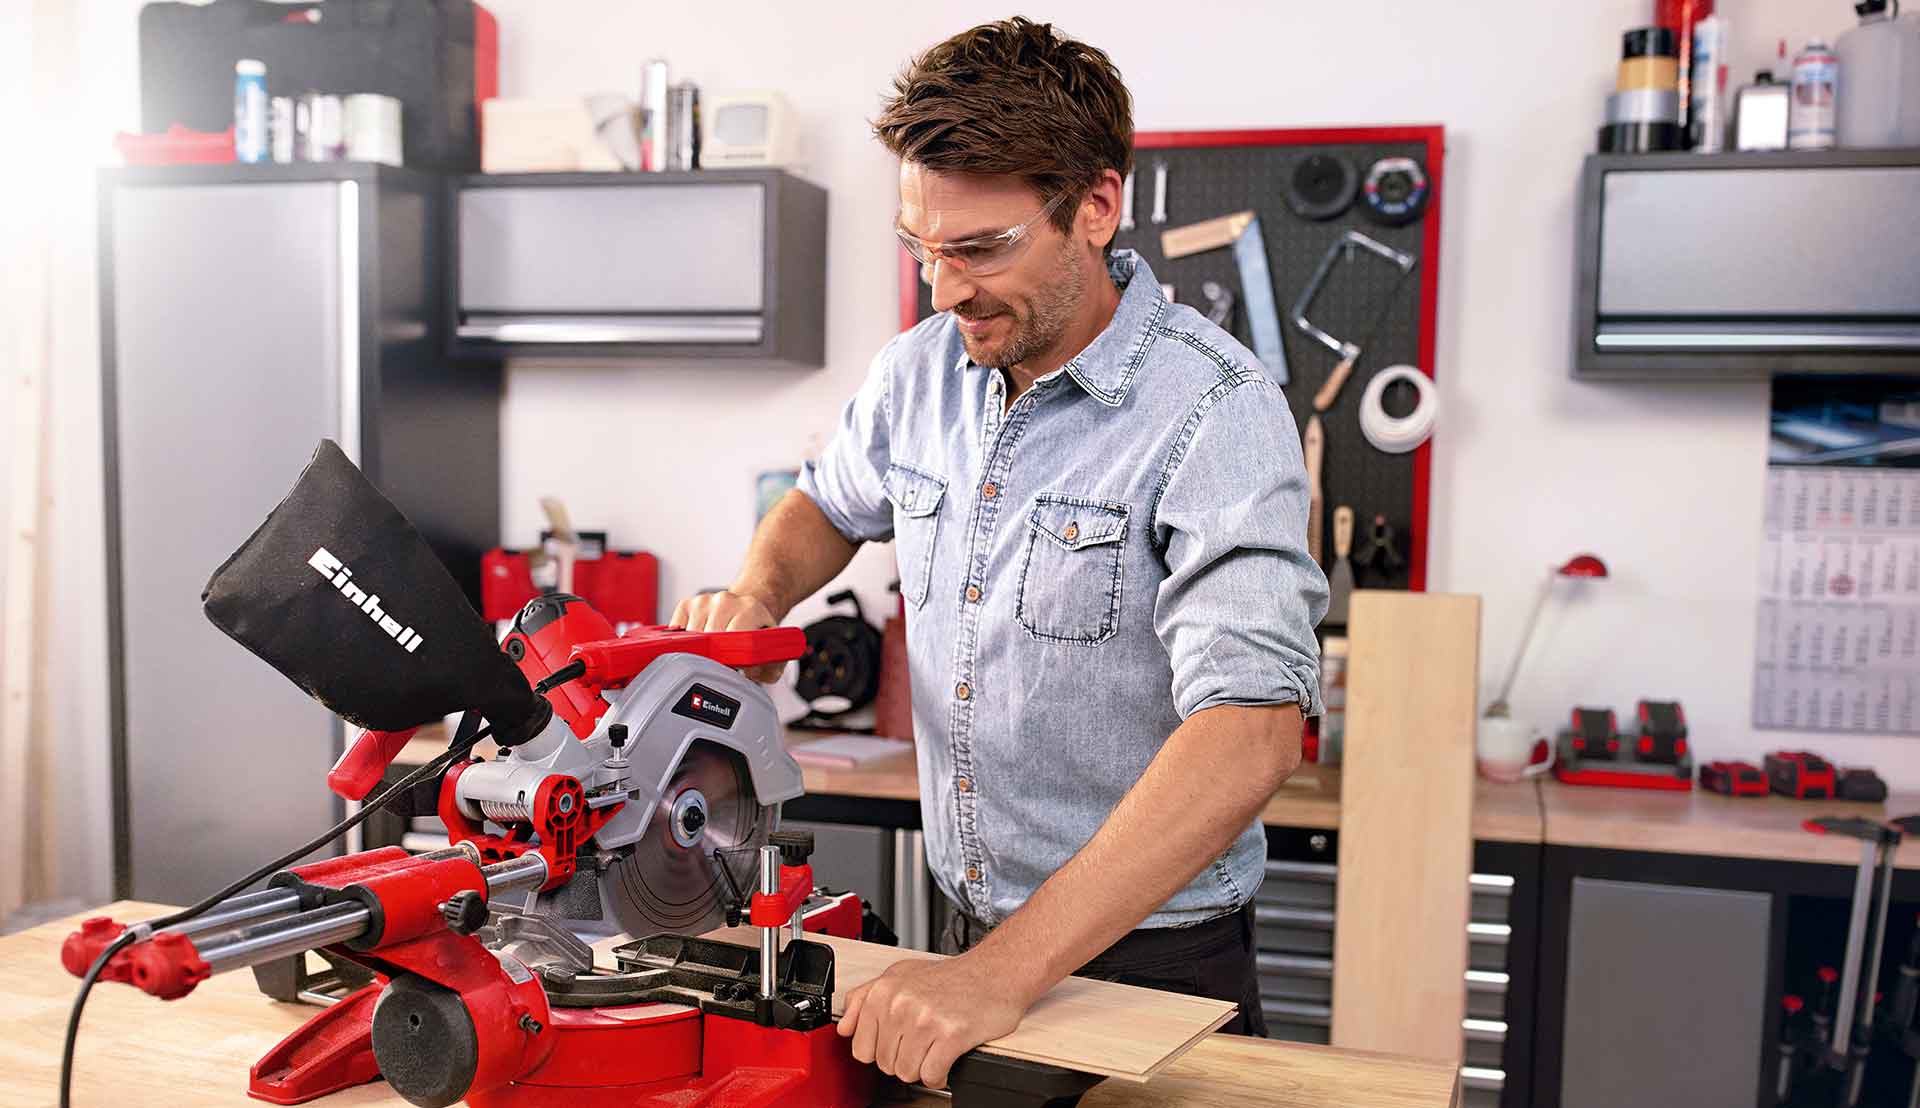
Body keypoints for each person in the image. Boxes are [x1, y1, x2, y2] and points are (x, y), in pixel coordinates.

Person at [668, 16, 1326, 1091]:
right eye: (922, 247)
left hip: (1154, 966)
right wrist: (758, 589)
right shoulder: (918, 372)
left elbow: (1249, 735)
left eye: (981, 249)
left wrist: (999, 975)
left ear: (1097, 206)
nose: (944, 289)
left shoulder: (1216, 410)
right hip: (969, 930)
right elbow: (825, 503)